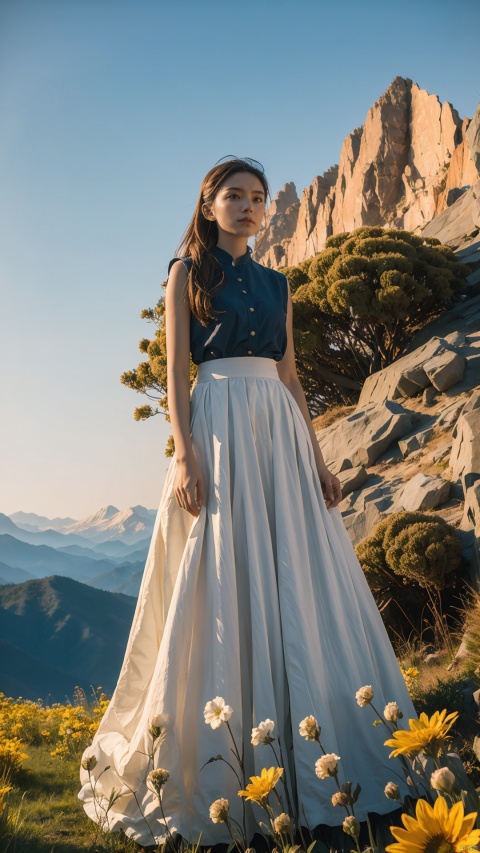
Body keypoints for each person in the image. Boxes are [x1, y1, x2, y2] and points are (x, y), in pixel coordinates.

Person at [78, 157, 421, 850]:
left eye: (258, 198)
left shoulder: (277, 282)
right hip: (219, 425)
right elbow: (178, 371)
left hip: (279, 430)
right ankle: (229, 758)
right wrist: (185, 452)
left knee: (297, 569)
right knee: (221, 569)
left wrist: (319, 457)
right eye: (233, 195)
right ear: (208, 205)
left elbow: (293, 376)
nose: (248, 206)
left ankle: (320, 751)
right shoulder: (186, 273)